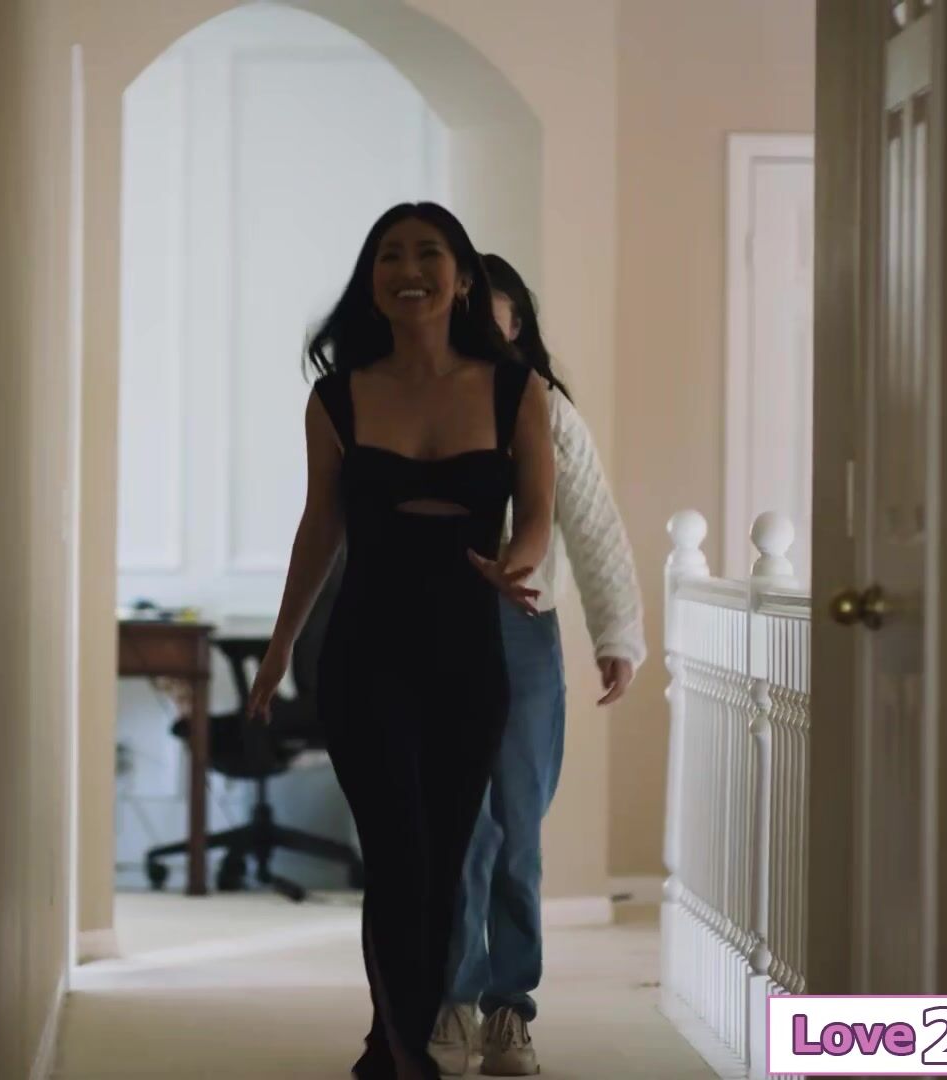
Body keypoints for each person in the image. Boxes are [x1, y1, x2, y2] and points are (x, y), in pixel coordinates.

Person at [246, 204, 555, 1080]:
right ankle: (402, 1052)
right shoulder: (337, 396)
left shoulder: (515, 390)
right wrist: (279, 646)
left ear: (462, 279)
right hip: (365, 652)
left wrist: (517, 565)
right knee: (397, 856)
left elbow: (537, 513)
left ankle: (394, 1039)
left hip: (469, 653)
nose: (408, 269)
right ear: (371, 279)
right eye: (389, 255)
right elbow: (320, 527)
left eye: (428, 253)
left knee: (447, 858)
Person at [428, 253, 647, 1076]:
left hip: (522, 631)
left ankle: (509, 1011)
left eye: (497, 315)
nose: (482, 329)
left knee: (517, 829)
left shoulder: (546, 409)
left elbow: (593, 527)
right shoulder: (422, 399)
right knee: (461, 831)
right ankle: (451, 998)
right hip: (431, 635)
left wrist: (618, 634)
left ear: (519, 326)